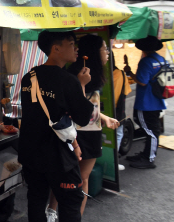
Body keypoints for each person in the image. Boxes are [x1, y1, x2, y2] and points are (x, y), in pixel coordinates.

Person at [18, 31, 94, 222]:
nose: (76, 48)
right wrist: (82, 85)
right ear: (56, 48)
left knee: (36, 199)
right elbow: (84, 117)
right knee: (71, 203)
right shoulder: (68, 81)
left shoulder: (29, 77)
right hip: (58, 157)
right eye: (71, 44)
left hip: (31, 153)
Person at [47, 35, 120, 220]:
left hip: (92, 131)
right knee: (67, 175)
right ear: (94, 53)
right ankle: (52, 211)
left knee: (83, 178)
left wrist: (102, 117)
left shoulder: (93, 74)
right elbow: (72, 106)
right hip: (74, 133)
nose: (107, 53)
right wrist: (80, 84)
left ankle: (74, 216)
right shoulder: (75, 75)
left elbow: (90, 103)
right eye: (104, 49)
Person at [123, 36, 166, 169]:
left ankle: (149, 159)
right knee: (151, 129)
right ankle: (146, 154)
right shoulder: (161, 59)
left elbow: (142, 81)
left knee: (151, 131)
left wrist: (130, 72)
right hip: (157, 100)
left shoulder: (146, 61)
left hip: (147, 103)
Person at [112, 53, 132, 170]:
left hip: (100, 111)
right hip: (116, 112)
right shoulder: (120, 74)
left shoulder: (94, 73)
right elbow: (126, 91)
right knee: (118, 135)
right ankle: (114, 162)